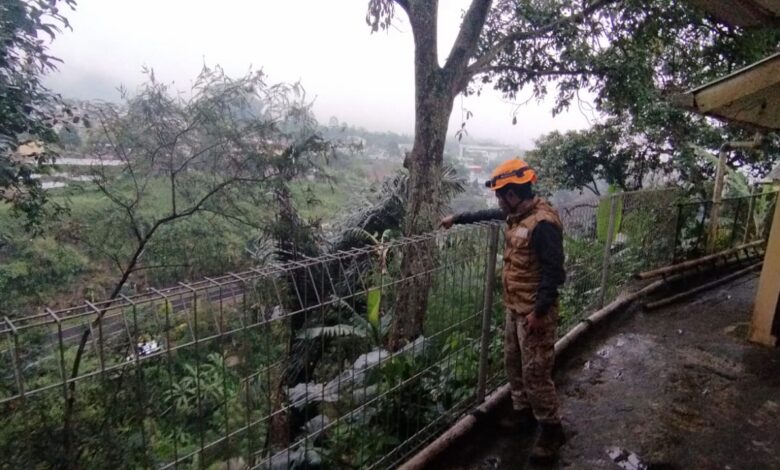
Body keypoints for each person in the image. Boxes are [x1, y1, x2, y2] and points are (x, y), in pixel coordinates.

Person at [440, 158, 566, 464]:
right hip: (516, 308)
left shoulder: (543, 224)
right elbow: (488, 214)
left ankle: (552, 431)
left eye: (500, 195)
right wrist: (456, 218)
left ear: (512, 195)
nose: (498, 201)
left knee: (536, 374)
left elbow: (554, 273)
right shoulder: (517, 214)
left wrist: (538, 312)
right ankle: (523, 414)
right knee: (514, 365)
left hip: (535, 314)